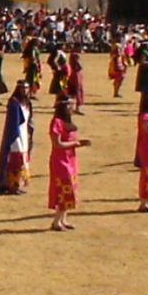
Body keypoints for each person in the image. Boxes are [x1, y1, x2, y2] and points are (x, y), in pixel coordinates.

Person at [49, 95, 90, 231]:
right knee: (64, 189)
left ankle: (63, 219)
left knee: (70, 188)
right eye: (70, 105)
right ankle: (56, 222)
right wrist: (77, 143)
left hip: (70, 159)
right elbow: (57, 143)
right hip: (60, 161)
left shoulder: (66, 120)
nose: (72, 108)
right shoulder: (56, 122)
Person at [0, 81, 33, 194]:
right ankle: (11, 186)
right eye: (22, 88)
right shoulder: (14, 103)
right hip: (15, 137)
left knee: (22, 161)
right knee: (14, 162)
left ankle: (17, 185)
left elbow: (29, 121)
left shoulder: (27, 103)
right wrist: (13, 137)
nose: (25, 91)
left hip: (24, 134)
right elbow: (13, 123)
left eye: (26, 88)